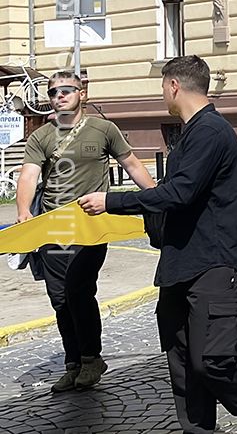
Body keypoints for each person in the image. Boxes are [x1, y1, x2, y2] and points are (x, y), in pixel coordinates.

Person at [78, 57, 237, 433]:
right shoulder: (190, 133)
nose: (162, 94)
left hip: (218, 264)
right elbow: (178, 198)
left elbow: (179, 192)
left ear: (173, 86)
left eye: (162, 87)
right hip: (181, 264)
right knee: (183, 363)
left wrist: (112, 202)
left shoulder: (211, 131)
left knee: (213, 360)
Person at [17, 71, 156, 393]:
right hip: (52, 229)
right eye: (53, 92)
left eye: (67, 90)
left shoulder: (104, 129)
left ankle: (91, 357)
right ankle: (74, 363)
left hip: (91, 227)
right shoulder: (42, 136)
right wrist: (24, 212)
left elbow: (132, 164)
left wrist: (155, 198)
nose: (59, 96)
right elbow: (28, 175)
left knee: (79, 289)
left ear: (82, 94)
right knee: (60, 298)